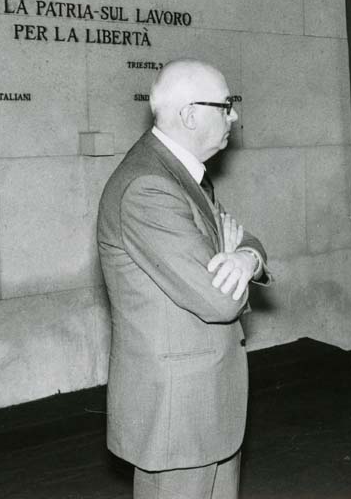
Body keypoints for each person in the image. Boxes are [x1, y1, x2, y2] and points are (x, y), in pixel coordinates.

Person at [97, 59, 271, 499]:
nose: (235, 116)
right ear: (191, 115)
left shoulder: (184, 176)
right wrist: (228, 256)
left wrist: (245, 257)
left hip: (205, 407)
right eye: (225, 105)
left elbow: (242, 236)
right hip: (179, 417)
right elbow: (220, 301)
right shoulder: (149, 188)